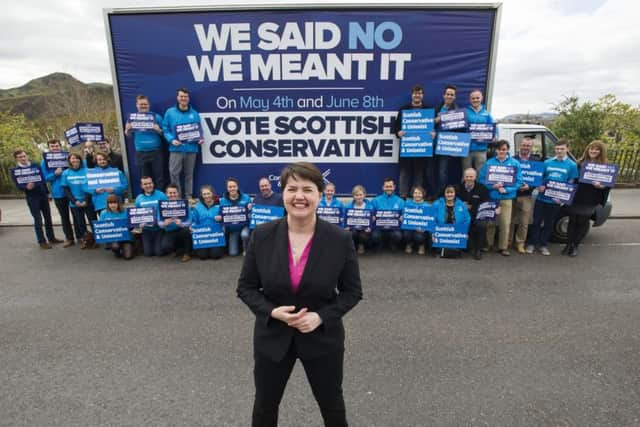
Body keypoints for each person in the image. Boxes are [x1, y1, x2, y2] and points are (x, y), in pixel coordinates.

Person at [237, 162, 362, 427]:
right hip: (272, 337)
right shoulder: (262, 236)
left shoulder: (340, 239)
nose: (299, 196)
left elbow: (352, 292)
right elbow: (246, 288)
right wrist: (272, 311)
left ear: (320, 194)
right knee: (265, 406)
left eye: (307, 189)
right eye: (292, 189)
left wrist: (320, 317)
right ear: (282, 194)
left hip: (322, 339)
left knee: (332, 405)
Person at [526, 139, 579, 256]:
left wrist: (564, 197)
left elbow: (571, 182)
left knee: (549, 224)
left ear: (567, 149)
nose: (559, 151)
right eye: (557, 149)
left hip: (555, 201)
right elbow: (539, 177)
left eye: (562, 149)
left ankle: (543, 245)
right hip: (541, 198)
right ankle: (532, 243)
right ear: (555, 149)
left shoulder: (572, 165)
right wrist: (539, 185)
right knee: (536, 222)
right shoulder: (547, 162)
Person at [564, 140, 610, 257]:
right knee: (572, 221)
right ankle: (568, 245)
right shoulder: (579, 163)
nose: (593, 151)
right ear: (587, 150)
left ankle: (575, 246)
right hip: (576, 197)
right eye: (591, 148)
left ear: (601, 151)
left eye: (596, 149)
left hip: (591, 198)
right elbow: (573, 179)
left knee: (582, 222)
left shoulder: (605, 167)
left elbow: (608, 184)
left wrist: (602, 186)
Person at [478, 140, 522, 256]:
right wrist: (492, 186)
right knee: (490, 222)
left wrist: (507, 189)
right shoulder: (489, 163)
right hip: (492, 197)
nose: (501, 151)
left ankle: (503, 247)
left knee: (505, 223)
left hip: (507, 197)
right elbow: (481, 180)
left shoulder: (515, 163)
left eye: (504, 149)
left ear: (507, 150)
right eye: (499, 149)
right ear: (496, 150)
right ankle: (488, 244)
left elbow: (519, 181)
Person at [13, 150, 61, 249]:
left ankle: (51, 238)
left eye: (24, 156)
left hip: (42, 194)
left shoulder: (35, 166)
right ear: (16, 159)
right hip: (32, 197)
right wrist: (26, 187)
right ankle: (42, 241)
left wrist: (47, 193)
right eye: (20, 157)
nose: (23, 158)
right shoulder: (16, 171)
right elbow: (18, 185)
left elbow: (43, 180)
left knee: (48, 217)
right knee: (38, 219)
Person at [163, 87, 204, 200]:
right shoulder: (170, 112)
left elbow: (199, 129)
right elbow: (165, 128)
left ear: (188, 98)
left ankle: (188, 196)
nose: (183, 98)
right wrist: (171, 140)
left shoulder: (194, 113)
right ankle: (177, 197)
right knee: (174, 174)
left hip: (191, 149)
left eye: (185, 96)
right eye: (181, 96)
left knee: (189, 174)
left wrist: (201, 138)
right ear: (177, 98)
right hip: (176, 148)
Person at [393, 84, 433, 198]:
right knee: (404, 173)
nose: (417, 95)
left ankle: (417, 197)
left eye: (419, 93)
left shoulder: (428, 110)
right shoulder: (403, 110)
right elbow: (395, 127)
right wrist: (398, 133)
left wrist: (433, 133)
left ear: (423, 95)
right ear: (412, 95)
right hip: (407, 148)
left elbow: (433, 128)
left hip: (421, 149)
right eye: (415, 93)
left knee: (419, 174)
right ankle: (403, 196)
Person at [125, 94, 165, 190]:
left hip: (156, 152)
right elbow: (128, 135)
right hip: (141, 153)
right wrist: (127, 130)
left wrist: (159, 130)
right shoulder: (132, 118)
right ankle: (147, 198)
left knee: (159, 177)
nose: (143, 106)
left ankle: (160, 197)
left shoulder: (157, 117)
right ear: (136, 105)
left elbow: (165, 133)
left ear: (149, 104)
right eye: (141, 104)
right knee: (145, 179)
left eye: (145, 104)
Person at [40, 139, 75, 247]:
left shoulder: (67, 157)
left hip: (72, 190)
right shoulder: (45, 161)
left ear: (60, 146)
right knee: (64, 217)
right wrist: (55, 174)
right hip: (58, 193)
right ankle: (69, 238)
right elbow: (44, 178)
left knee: (77, 215)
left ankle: (81, 236)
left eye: (56, 146)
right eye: (52, 146)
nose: (55, 148)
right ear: (49, 148)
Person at [511, 137, 541, 253]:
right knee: (510, 221)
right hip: (512, 194)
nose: (525, 147)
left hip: (527, 195)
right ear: (520, 145)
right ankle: (508, 242)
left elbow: (536, 178)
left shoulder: (536, 161)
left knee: (524, 222)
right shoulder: (512, 159)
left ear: (531, 147)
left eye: (528, 145)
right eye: (524, 145)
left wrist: (530, 187)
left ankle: (520, 243)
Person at [61, 153, 94, 250]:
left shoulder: (87, 171)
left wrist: (86, 200)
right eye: (72, 159)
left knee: (93, 221)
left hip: (88, 201)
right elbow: (66, 189)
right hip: (75, 203)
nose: (75, 160)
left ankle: (97, 238)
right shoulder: (66, 173)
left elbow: (91, 186)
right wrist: (75, 201)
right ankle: (86, 240)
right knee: (80, 223)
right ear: (69, 161)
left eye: (77, 159)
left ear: (80, 160)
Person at [456, 168, 490, 260]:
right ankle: (459, 245)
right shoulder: (457, 187)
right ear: (464, 177)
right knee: (467, 248)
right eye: (467, 176)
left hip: (477, 216)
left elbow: (486, 204)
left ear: (475, 177)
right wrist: (461, 204)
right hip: (461, 217)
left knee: (482, 224)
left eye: (471, 176)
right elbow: (451, 200)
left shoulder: (482, 188)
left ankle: (478, 250)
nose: (469, 178)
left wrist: (472, 207)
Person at [433, 185, 471, 258]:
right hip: (441, 232)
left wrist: (464, 233)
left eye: (451, 192)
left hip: (456, 233)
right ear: (444, 193)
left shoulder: (461, 204)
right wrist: (433, 233)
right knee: (441, 248)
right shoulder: (437, 204)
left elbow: (467, 219)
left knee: (463, 247)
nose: (449, 194)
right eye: (447, 192)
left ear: (455, 193)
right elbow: (432, 219)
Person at [434, 84, 459, 190]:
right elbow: (426, 124)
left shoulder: (458, 111)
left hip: (446, 146)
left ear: (454, 97)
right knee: (431, 170)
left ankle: (442, 193)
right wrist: (435, 121)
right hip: (433, 144)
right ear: (444, 95)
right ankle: (434, 193)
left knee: (442, 171)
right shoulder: (436, 108)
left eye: (452, 95)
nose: (449, 96)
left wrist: (455, 147)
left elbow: (460, 129)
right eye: (448, 94)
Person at [134, 176, 168, 257]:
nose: (148, 186)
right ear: (142, 186)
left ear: (153, 183)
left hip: (159, 228)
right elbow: (137, 215)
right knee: (148, 254)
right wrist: (139, 223)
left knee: (159, 253)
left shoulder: (161, 195)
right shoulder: (139, 198)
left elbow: (167, 210)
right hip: (146, 230)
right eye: (145, 184)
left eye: (150, 183)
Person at [463, 89, 495, 172]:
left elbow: (493, 127)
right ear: (470, 99)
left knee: (481, 173)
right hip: (466, 149)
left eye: (477, 98)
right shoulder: (465, 112)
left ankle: (479, 186)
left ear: (481, 98)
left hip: (481, 149)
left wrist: (494, 136)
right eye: (473, 98)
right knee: (466, 173)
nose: (475, 100)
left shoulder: (487, 114)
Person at [88, 152, 128, 219]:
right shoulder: (91, 173)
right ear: (96, 161)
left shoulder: (117, 172)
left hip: (116, 203)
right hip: (100, 204)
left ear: (107, 160)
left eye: (104, 159)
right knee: (106, 226)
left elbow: (125, 185)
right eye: (100, 160)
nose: (102, 161)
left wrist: (114, 190)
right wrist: (95, 190)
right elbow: (86, 187)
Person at [159, 184, 193, 262]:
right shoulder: (162, 206)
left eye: (174, 193)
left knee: (186, 231)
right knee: (165, 246)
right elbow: (159, 222)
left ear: (178, 193)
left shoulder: (184, 204)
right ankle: (178, 250)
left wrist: (181, 224)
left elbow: (190, 220)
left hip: (182, 229)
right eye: (170, 193)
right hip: (170, 230)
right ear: (166, 194)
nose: (172, 195)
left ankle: (187, 253)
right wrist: (164, 223)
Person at [190, 185, 225, 260]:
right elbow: (194, 221)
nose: (206, 196)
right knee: (203, 256)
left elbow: (226, 218)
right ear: (202, 195)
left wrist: (222, 218)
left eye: (208, 193)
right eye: (204, 194)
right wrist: (192, 227)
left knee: (215, 255)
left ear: (212, 194)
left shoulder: (220, 205)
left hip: (215, 234)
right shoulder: (197, 207)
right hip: (203, 235)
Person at [219, 177, 252, 256]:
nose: (232, 188)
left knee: (244, 235)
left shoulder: (246, 198)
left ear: (237, 187)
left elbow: (251, 213)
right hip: (233, 229)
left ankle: (246, 249)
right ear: (227, 188)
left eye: (234, 186)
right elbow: (222, 214)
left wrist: (250, 209)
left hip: (245, 226)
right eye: (230, 187)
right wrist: (220, 217)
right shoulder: (223, 200)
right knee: (233, 253)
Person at [371, 177, 405, 251]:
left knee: (398, 236)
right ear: (383, 187)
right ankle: (380, 244)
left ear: (394, 187)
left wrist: (403, 217)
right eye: (386, 186)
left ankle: (392, 244)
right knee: (375, 236)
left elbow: (404, 214)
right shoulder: (376, 200)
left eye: (390, 186)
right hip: (379, 228)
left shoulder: (400, 201)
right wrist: (372, 217)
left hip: (394, 228)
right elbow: (371, 213)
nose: (388, 188)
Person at [99, 194, 135, 260]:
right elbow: (101, 227)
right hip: (113, 237)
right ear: (108, 204)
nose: (113, 205)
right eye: (110, 203)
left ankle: (127, 246)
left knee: (128, 257)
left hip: (125, 236)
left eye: (115, 203)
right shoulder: (103, 213)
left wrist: (130, 225)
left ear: (118, 203)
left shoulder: (125, 211)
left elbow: (131, 227)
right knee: (115, 247)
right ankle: (117, 251)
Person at [344, 184, 373, 255]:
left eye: (360, 195)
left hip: (364, 229)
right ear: (353, 196)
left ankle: (361, 246)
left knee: (364, 236)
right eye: (356, 195)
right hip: (353, 228)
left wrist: (370, 226)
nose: (359, 197)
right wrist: (346, 226)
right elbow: (345, 218)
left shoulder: (370, 207)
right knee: (352, 233)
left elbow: (373, 220)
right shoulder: (348, 207)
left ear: (364, 195)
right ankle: (353, 246)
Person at [403, 186, 430, 255]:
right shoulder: (407, 204)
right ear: (412, 194)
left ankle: (421, 245)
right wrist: (402, 217)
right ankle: (409, 244)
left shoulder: (427, 206)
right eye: (415, 193)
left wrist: (424, 228)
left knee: (419, 237)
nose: (417, 195)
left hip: (421, 229)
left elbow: (429, 220)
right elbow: (404, 215)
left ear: (423, 194)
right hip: (410, 228)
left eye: (419, 193)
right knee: (406, 234)